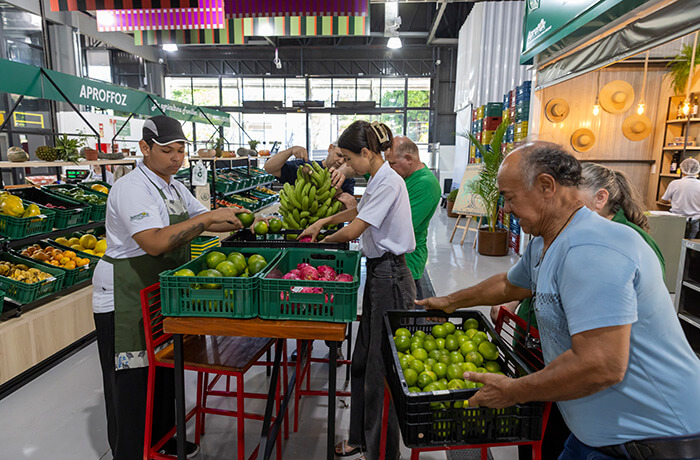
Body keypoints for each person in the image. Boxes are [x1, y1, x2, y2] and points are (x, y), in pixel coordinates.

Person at [418, 141, 700, 459]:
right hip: (595, 434)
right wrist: (450, 301)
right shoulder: (546, 241)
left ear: (546, 186)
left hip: (648, 440)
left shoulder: (592, 249)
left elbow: (601, 364)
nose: (505, 209)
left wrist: (513, 391)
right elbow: (508, 285)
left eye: (510, 198)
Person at [92, 115, 253, 459]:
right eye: (168, 151)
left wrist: (242, 217)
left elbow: (206, 220)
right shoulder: (132, 188)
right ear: (145, 148)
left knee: (165, 369)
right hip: (125, 294)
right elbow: (153, 242)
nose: (177, 158)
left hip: (161, 288)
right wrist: (208, 218)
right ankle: (130, 451)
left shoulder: (174, 187)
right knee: (132, 380)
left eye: (181, 151)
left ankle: (163, 438)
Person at [496, 161, 668, 460]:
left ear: (599, 199)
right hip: (539, 348)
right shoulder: (562, 232)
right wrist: (512, 300)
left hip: (584, 378)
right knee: (537, 425)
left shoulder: (625, 243)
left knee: (557, 432)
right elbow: (530, 276)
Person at [299, 120, 416, 460]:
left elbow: (354, 231)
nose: (347, 165)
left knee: (382, 369)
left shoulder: (389, 182)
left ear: (366, 153)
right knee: (363, 361)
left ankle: (381, 452)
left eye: (350, 158)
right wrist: (324, 221)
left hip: (392, 279)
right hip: (380, 274)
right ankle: (360, 438)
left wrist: (320, 240)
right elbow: (358, 211)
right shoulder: (378, 179)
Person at [385, 137, 441, 300]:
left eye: (393, 163)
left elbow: (401, 226)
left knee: (405, 317)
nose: (390, 168)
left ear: (408, 159)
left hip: (408, 263)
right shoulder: (405, 177)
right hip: (395, 260)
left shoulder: (425, 184)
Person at [264, 142, 357, 209]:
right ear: (330, 148)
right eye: (339, 155)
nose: (341, 161)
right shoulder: (304, 167)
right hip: (298, 225)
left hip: (331, 231)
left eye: (346, 159)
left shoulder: (347, 178)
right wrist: (290, 151)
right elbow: (269, 168)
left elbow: (345, 208)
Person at [661, 157, 700, 239]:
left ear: (682, 170)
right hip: (696, 222)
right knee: (690, 246)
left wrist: (673, 201)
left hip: (676, 220)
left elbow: (663, 201)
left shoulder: (675, 183)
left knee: (675, 244)